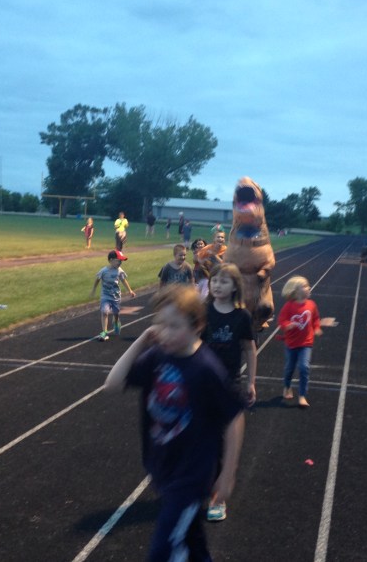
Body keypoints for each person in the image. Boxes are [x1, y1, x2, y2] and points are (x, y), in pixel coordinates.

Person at [103, 285, 245, 562]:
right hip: (164, 466)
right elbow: (112, 383)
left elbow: (234, 417)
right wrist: (142, 340)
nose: (165, 333)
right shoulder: (157, 356)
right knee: (191, 541)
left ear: (197, 326)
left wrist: (228, 474)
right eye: (161, 324)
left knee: (164, 549)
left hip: (191, 475)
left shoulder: (206, 368)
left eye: (174, 326)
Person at [201, 262, 257, 522]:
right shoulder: (202, 312)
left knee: (223, 441)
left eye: (224, 281)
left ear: (235, 286)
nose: (217, 285)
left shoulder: (241, 317)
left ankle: (218, 498)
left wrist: (251, 382)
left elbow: (249, 349)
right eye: (214, 280)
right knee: (202, 438)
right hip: (202, 383)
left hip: (229, 384)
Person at [278, 276, 322, 408]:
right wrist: (287, 325)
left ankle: (302, 395)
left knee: (304, 367)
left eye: (308, 286)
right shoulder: (288, 306)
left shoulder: (311, 304)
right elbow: (281, 320)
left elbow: (315, 318)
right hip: (291, 344)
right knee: (289, 368)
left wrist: (317, 327)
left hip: (306, 343)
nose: (309, 288)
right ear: (296, 291)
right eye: (305, 286)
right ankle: (287, 386)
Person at [90, 249, 136, 341]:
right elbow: (97, 279)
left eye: (121, 261)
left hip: (116, 297)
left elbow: (124, 281)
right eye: (118, 260)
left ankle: (116, 322)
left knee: (116, 313)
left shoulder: (119, 271)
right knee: (104, 312)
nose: (120, 263)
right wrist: (94, 289)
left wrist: (130, 291)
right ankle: (104, 332)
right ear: (111, 260)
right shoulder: (103, 271)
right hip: (105, 296)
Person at [196, 230, 227, 296]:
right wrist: (205, 260)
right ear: (214, 239)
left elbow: (225, 264)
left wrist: (214, 255)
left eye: (222, 237)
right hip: (206, 277)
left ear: (224, 240)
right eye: (218, 237)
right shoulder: (207, 248)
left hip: (220, 276)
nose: (220, 239)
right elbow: (198, 259)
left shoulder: (225, 250)